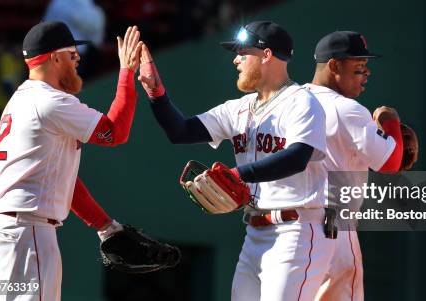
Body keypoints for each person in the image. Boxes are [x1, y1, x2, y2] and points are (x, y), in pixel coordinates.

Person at [138, 20, 334, 300]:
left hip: (297, 231)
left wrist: (239, 174)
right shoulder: (239, 108)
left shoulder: (302, 102)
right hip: (254, 232)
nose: (236, 60)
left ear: (267, 55)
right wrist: (156, 93)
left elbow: (297, 157)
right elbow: (180, 131)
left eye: (243, 53)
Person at [0, 21, 144, 301]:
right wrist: (126, 71)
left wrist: (104, 225)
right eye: (73, 54)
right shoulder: (49, 101)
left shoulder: (21, 100)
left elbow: (59, 180)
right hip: (26, 233)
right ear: (55, 57)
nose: (78, 61)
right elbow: (114, 132)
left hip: (4, 233)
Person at [303, 31, 406, 301]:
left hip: (288, 231)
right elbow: (391, 163)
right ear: (334, 66)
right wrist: (390, 122)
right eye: (359, 68)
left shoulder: (289, 101)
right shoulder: (346, 108)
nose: (366, 73)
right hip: (332, 229)